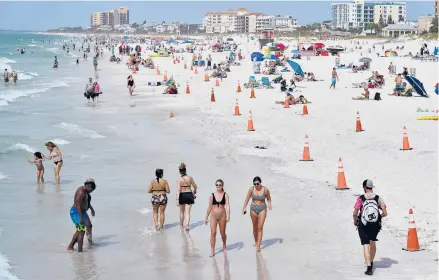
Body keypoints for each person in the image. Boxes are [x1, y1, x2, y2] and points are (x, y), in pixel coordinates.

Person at [353, 179, 387, 276]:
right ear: (372, 187)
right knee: (372, 242)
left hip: (363, 224)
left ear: (364, 187)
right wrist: (378, 217)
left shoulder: (361, 198)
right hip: (375, 225)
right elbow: (385, 213)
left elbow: (355, 213)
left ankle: (369, 268)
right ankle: (371, 261)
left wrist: (355, 221)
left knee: (365, 245)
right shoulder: (378, 198)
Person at [241, 176, 272, 252]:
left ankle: (258, 246)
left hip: (262, 208)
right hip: (253, 208)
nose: (256, 185)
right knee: (255, 227)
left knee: (260, 227)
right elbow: (247, 199)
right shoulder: (251, 189)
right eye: (254, 184)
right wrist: (244, 208)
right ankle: (256, 241)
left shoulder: (265, 190)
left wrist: (269, 204)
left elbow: (268, 199)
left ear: (260, 183)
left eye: (257, 184)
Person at [67, 179, 96, 252]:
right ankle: (80, 252)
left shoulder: (86, 192)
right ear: (88, 186)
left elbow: (86, 202)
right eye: (91, 190)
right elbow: (78, 205)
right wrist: (81, 218)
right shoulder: (81, 192)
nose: (91, 192)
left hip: (82, 212)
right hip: (76, 212)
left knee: (88, 226)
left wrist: (92, 209)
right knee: (81, 232)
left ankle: (71, 246)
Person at [205, 179, 230, 257]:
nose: (218, 186)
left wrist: (228, 215)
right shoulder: (212, 195)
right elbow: (209, 207)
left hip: (222, 215)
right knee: (213, 233)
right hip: (213, 216)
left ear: (222, 186)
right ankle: (212, 250)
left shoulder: (225, 195)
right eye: (217, 185)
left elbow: (227, 206)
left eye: (220, 185)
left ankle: (224, 245)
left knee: (222, 233)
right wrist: (206, 217)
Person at [176, 163, 198, 231]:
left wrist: (177, 199)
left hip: (182, 195)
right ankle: (187, 226)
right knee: (187, 212)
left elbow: (178, 190)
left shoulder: (179, 180)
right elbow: (195, 186)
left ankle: (181, 225)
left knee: (181, 212)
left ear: (180, 171)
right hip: (189, 195)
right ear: (185, 170)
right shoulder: (190, 178)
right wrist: (194, 191)